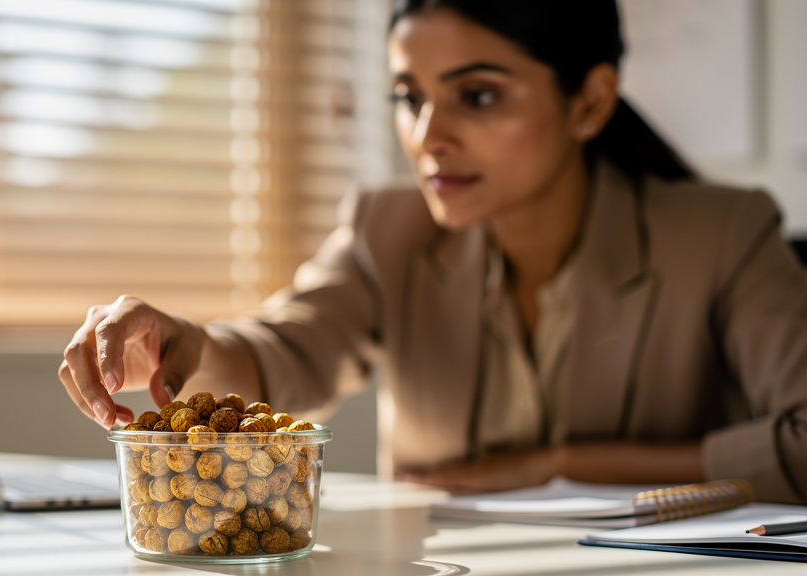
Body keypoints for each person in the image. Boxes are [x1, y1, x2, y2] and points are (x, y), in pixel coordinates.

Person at [58, 0, 807, 504]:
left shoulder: (724, 232)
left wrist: (553, 467)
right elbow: (281, 357)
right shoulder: (388, 228)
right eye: (409, 97)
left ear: (590, 102)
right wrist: (187, 341)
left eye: (476, 96)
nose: (427, 137)